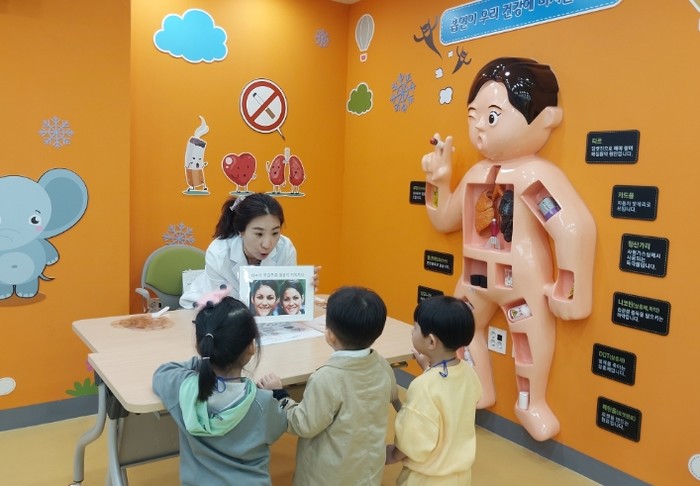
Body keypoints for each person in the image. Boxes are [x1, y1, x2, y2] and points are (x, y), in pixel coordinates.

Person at [421, 57, 596, 441]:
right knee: (460, 330)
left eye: (492, 116)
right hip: (475, 275)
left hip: (522, 279)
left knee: (529, 345)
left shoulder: (535, 177)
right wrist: (438, 182)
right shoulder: (477, 174)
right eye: (474, 117)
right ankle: (477, 386)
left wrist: (571, 288)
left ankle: (530, 403)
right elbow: (445, 218)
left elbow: (571, 228)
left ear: (546, 119)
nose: (480, 128)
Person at [257, 286, 400, 486]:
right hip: (367, 472)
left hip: (328, 477)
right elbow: (395, 398)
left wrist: (279, 394)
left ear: (330, 336)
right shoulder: (383, 366)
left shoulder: (326, 378)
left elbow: (303, 424)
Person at [152, 295, 288, 485]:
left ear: (200, 347)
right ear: (251, 347)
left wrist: (204, 361)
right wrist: (280, 394)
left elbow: (162, 373)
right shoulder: (262, 402)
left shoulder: (183, 390)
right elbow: (280, 427)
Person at [385, 296, 482, 485]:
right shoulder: (468, 373)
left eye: (415, 328)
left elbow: (414, 437)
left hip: (426, 479)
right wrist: (429, 369)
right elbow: (451, 395)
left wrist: (394, 454)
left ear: (431, 342)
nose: (412, 331)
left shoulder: (423, 387)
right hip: (460, 477)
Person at [180, 193, 319, 309]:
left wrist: (302, 287)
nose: (267, 244)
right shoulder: (218, 253)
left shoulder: (285, 248)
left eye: (275, 233)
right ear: (241, 231)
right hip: (207, 308)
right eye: (259, 234)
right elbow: (226, 303)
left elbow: (283, 295)